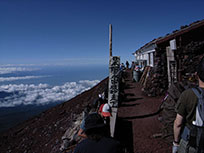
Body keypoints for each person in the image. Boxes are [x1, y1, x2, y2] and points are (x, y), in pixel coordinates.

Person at [173, 57, 204, 153]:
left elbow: (178, 124)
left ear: (197, 75)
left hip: (191, 143)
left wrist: (176, 143)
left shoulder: (188, 95)